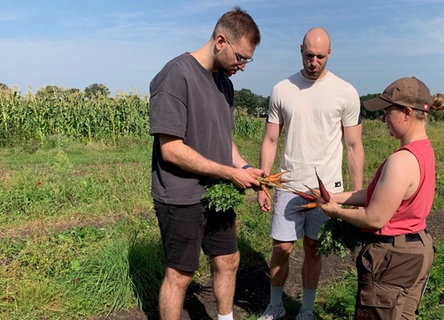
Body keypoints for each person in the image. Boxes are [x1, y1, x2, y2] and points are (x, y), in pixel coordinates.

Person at [148, 7, 263, 320]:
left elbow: (224, 140)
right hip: (180, 196)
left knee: (228, 260)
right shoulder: (176, 75)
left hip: (218, 194)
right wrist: (228, 172)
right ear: (221, 41)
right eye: (241, 57)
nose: (242, 66)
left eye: (247, 60)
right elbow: (171, 150)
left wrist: (244, 169)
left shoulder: (225, 84)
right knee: (180, 274)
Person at [257, 27, 365, 320]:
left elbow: (354, 145)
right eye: (308, 55)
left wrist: (357, 194)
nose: (313, 62)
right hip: (288, 185)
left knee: (314, 248)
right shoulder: (282, 89)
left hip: (327, 189)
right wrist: (263, 183)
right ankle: (275, 306)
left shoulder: (346, 92)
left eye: (320, 56)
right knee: (281, 248)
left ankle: (306, 311)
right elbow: (270, 139)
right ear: (300, 50)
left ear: (330, 54)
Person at [317, 76, 444, 319]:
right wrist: (335, 196)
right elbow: (376, 195)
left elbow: (374, 218)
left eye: (387, 112)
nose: (383, 118)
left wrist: (335, 212)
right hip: (417, 248)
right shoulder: (423, 150)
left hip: (392, 259)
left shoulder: (401, 161)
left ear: (407, 112)